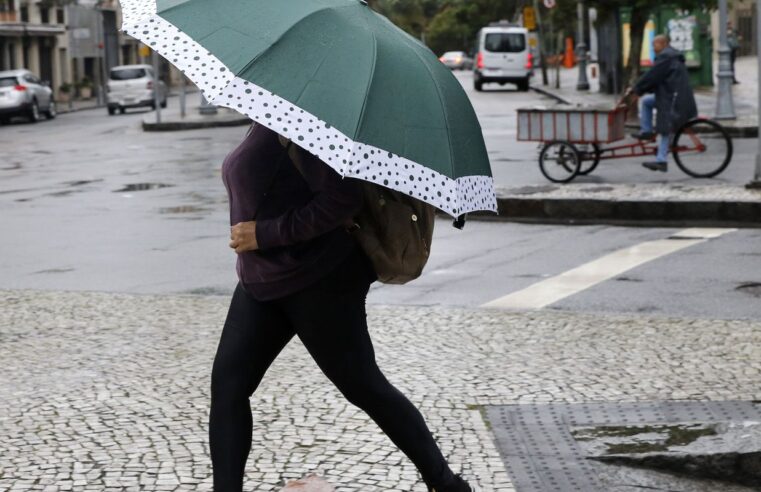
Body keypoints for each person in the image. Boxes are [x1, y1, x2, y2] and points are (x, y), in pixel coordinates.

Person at [210, 122, 474, 492]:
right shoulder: (266, 120)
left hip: (318, 280)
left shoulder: (306, 124)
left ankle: (448, 485)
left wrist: (264, 233)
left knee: (363, 386)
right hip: (260, 281)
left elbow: (341, 199)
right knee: (228, 387)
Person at [627, 34, 697, 173]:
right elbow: (659, 78)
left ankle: (661, 161)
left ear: (664, 43)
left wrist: (637, 89)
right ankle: (646, 131)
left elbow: (652, 75)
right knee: (647, 102)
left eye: (655, 44)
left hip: (674, 98)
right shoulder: (670, 56)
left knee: (666, 126)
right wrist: (640, 91)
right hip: (673, 95)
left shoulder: (666, 57)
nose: (653, 47)